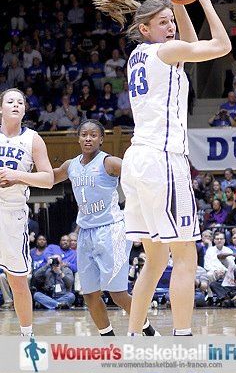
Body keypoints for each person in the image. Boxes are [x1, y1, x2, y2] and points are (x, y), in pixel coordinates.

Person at [93, 0, 231, 373]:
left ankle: (134, 351)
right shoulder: (162, 51)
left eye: (171, 21)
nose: (171, 27)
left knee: (154, 261)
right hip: (162, 161)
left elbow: (188, 43)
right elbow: (220, 45)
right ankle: (187, 355)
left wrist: (177, 4)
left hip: (138, 160)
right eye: (164, 23)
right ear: (144, 29)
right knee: (185, 257)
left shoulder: (140, 54)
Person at [53, 119, 158, 337]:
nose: (88, 138)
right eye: (84, 135)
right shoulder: (70, 165)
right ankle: (108, 342)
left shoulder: (108, 162)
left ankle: (148, 330)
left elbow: (137, 175)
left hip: (111, 231)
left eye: (93, 135)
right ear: (79, 138)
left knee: (117, 294)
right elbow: (50, 178)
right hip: (85, 233)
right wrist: (19, 177)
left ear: (101, 139)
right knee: (90, 294)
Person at [0, 88, 53, 336]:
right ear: (1, 108)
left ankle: (27, 336)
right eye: (10, 101)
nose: (15, 105)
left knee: (18, 281)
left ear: (24, 109)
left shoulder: (33, 139)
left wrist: (17, 176)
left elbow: (48, 179)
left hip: (13, 215)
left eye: (20, 102)